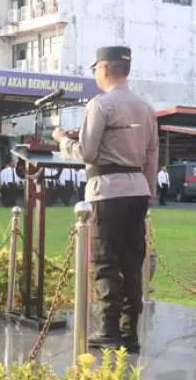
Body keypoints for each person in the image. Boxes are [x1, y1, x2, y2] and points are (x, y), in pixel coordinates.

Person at [53, 46, 158, 352]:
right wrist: (148, 189)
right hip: (138, 188)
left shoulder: (100, 104)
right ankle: (130, 334)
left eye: (95, 70)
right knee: (131, 261)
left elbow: (86, 152)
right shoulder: (146, 107)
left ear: (103, 69)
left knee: (105, 261)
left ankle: (109, 331)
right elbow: (152, 155)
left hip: (107, 190)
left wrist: (63, 141)